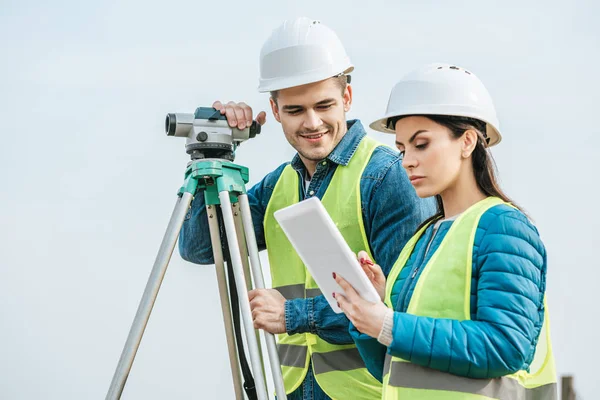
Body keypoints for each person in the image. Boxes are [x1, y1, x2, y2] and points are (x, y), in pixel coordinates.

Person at [178, 18, 435, 399]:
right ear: (275, 109)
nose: (312, 123)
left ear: (346, 98)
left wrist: (295, 316)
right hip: (291, 389)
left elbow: (406, 304)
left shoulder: (387, 177)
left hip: (367, 391)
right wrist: (215, 153)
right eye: (296, 109)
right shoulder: (279, 185)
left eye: (324, 105)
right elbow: (199, 246)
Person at [332, 63, 557, 399]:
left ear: (467, 142)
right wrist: (372, 309)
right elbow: (391, 369)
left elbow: (507, 346)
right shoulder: (420, 240)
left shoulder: (504, 228)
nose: (407, 160)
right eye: (402, 148)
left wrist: (389, 324)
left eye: (421, 144)